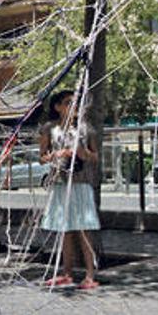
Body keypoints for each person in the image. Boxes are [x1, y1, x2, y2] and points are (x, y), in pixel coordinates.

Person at [39, 90, 100, 290]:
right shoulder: (50, 129)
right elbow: (42, 157)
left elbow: (95, 157)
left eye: (76, 103)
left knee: (83, 229)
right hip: (60, 182)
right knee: (64, 230)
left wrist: (83, 153)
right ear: (57, 107)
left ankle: (90, 275)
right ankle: (67, 273)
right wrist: (57, 154)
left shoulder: (86, 129)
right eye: (68, 103)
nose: (73, 107)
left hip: (81, 183)